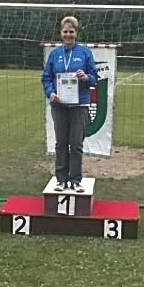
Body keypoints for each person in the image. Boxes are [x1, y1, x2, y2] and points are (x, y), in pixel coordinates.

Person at [41, 16, 99, 193]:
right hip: (59, 105)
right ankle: (61, 179)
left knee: (76, 144)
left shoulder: (85, 53)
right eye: (65, 31)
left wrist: (86, 77)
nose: (68, 35)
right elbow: (46, 78)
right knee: (61, 143)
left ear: (76, 33)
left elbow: (95, 78)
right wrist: (51, 93)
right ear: (61, 33)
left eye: (71, 31)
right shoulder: (55, 54)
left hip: (79, 105)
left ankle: (75, 180)